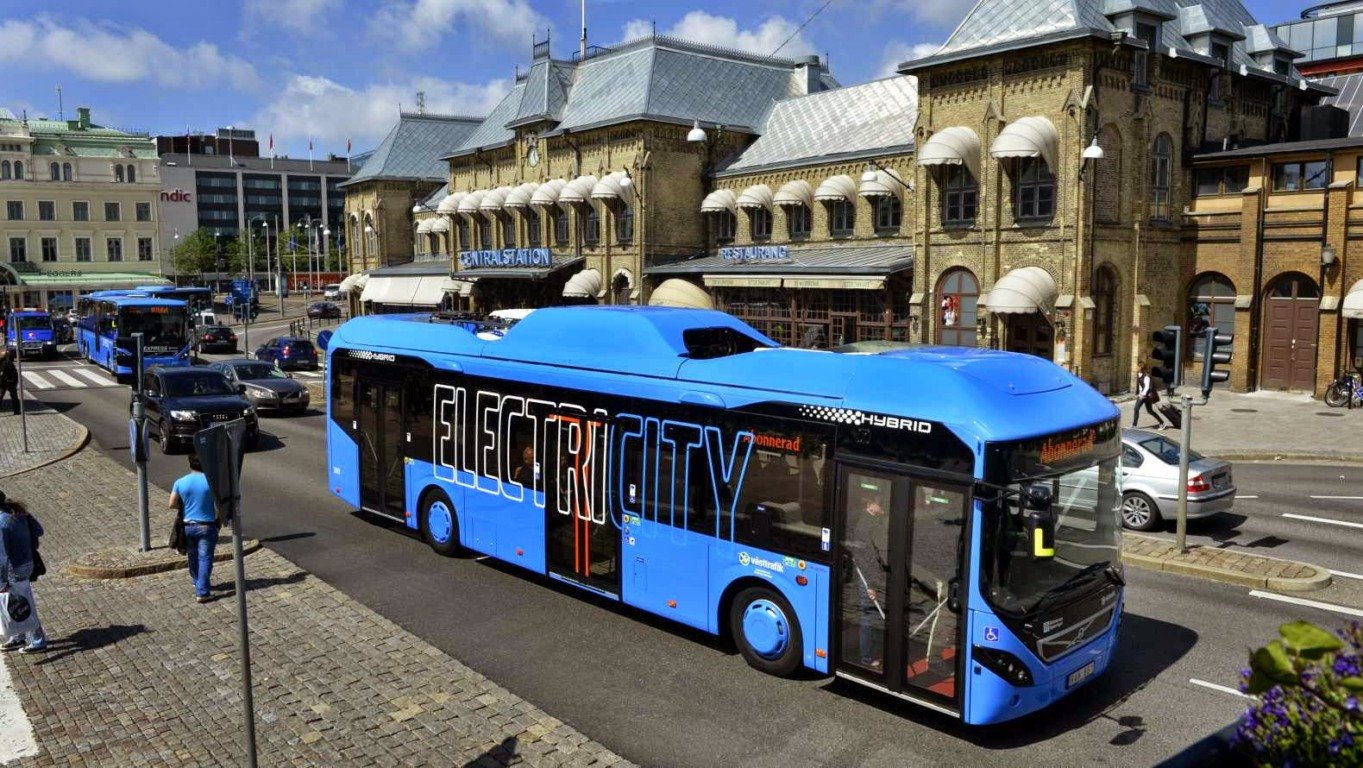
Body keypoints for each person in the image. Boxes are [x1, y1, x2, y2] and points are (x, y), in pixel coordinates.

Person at [848, 485, 890, 670]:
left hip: (867, 576)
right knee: (868, 618)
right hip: (868, 578)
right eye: (881, 506)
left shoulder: (864, 519)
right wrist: (872, 585)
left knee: (869, 617)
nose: (883, 509)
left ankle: (870, 652)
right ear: (872, 505)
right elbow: (869, 559)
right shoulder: (869, 526)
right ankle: (867, 657)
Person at [169, 454, 220, 603]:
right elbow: (220, 505)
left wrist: (183, 506)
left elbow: (171, 503)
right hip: (207, 525)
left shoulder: (180, 482)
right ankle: (202, 592)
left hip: (188, 526)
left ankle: (196, 581)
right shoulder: (211, 482)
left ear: (189, 464)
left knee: (192, 556)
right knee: (205, 558)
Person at [0, 494, 46, 653]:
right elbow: (39, 531)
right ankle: (18, 637)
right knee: (17, 603)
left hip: (14, 569)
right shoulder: (18, 513)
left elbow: (2, 555)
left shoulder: (1, 522)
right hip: (28, 562)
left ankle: (37, 640)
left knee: (24, 605)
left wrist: (1, 582)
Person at [1133, 364, 1166, 430]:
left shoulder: (1146, 376)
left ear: (1141, 368)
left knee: (1137, 408)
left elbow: (1147, 387)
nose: (1136, 368)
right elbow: (1140, 386)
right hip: (1143, 395)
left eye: (1137, 367)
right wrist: (1139, 393)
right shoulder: (1139, 375)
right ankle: (1162, 422)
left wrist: (1142, 395)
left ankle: (1134, 425)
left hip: (1146, 396)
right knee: (1149, 410)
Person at [0, 349, 18, 416]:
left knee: (1, 396)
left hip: (3, 383)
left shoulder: (4, 362)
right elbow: (14, 373)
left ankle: (17, 410)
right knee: (14, 397)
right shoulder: (9, 363)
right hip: (9, 382)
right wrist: (15, 382)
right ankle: (16, 411)